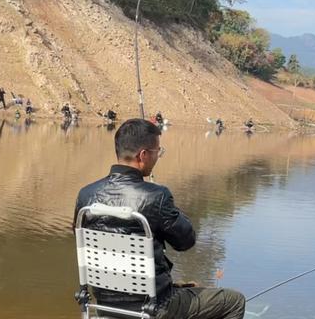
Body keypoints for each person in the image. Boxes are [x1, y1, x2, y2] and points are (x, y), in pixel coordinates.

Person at [72, 119, 245, 319]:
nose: (158, 157)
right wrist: (168, 204)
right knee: (234, 302)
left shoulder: (86, 195)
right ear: (143, 155)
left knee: (183, 287)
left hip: (105, 305)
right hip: (155, 306)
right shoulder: (156, 196)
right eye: (158, 152)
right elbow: (186, 241)